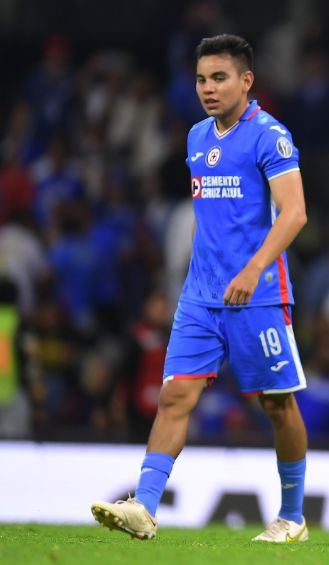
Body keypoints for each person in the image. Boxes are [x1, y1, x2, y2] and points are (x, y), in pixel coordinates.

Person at [90, 34, 310, 543]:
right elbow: (205, 217)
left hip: (257, 296)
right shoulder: (195, 137)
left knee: (278, 405)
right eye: (201, 80)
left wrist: (253, 270)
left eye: (219, 78)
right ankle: (143, 507)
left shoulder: (270, 136)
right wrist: (188, 276)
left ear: (245, 81)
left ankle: (293, 516)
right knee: (174, 397)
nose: (207, 89)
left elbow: (295, 213)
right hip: (200, 296)